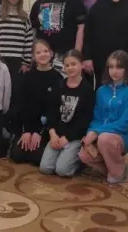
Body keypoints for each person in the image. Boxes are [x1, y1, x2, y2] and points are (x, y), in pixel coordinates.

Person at [79, 50, 128, 185]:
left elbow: (125, 122)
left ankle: (117, 173)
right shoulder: (101, 91)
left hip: (121, 136)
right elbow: (97, 118)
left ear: (126, 69)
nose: (114, 71)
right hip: (101, 134)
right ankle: (118, 167)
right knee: (83, 155)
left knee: (104, 139)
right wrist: (90, 132)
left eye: (119, 67)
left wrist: (97, 132)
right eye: (111, 67)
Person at [40, 50, 94, 178]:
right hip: (57, 134)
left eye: (73, 64)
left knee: (62, 170)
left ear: (81, 65)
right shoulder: (59, 86)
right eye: (67, 65)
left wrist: (68, 137)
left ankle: (80, 161)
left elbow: (85, 120)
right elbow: (52, 113)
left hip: (74, 136)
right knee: (46, 168)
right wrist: (52, 133)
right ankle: (64, 155)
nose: (70, 68)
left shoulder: (87, 90)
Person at [11, 39, 63, 166]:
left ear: (51, 53)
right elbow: (22, 106)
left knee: (36, 158)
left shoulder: (58, 79)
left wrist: (39, 133)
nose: (42, 55)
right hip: (28, 126)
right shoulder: (26, 77)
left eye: (45, 51)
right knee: (17, 155)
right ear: (33, 57)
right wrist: (26, 131)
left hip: (46, 128)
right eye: (38, 52)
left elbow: (54, 110)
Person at [30, 0, 87, 71]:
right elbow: (33, 30)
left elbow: (81, 28)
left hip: (66, 55)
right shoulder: (39, 3)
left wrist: (77, 52)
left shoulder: (74, 2)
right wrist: (33, 52)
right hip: (44, 55)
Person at [0, 0, 34, 96]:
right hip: (0, 58)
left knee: (15, 90)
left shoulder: (24, 17)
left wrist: (26, 62)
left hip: (17, 60)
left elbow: (28, 40)